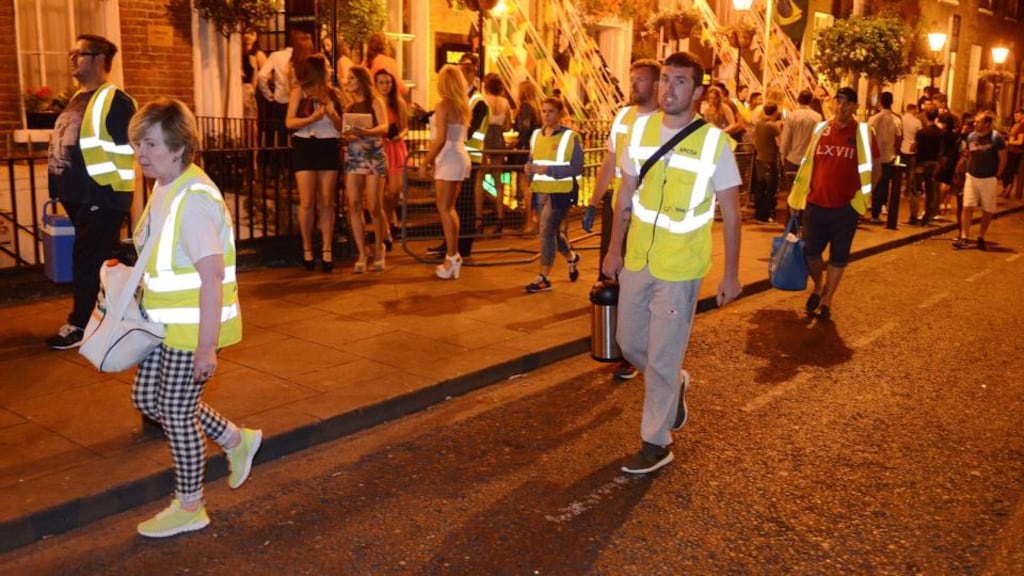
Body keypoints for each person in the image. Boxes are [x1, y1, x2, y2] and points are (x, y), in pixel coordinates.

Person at [602, 51, 743, 475]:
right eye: (666, 79)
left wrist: (732, 274)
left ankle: (656, 442)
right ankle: (675, 383)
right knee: (628, 343)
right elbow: (625, 193)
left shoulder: (714, 143)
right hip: (639, 259)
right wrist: (613, 249)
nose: (670, 88)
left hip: (682, 266)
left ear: (698, 92)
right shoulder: (640, 129)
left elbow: (732, 212)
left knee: (662, 356)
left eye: (681, 82)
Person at [128, 98, 261, 538]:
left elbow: (212, 276)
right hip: (164, 324)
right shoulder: (166, 184)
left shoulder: (195, 199)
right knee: (149, 401)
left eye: (150, 143)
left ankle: (191, 506)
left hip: (191, 329)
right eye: (138, 144)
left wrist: (207, 347)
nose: (141, 153)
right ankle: (236, 439)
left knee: (175, 412)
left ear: (179, 145)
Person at [46, 34, 138, 350]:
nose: (72, 58)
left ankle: (80, 324)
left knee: (85, 260)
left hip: (102, 196)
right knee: (94, 256)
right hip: (79, 197)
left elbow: (135, 150)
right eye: (72, 52)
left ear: (99, 59)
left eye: (79, 53)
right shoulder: (78, 97)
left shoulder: (116, 101)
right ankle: (125, 258)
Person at [582, 59, 661, 381]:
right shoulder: (623, 116)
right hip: (619, 207)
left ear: (656, 85)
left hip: (648, 212)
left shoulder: (664, 121)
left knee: (640, 280)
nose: (634, 85)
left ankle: (636, 349)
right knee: (613, 274)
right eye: (632, 79)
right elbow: (609, 160)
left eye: (641, 79)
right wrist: (593, 200)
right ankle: (623, 347)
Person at [787, 86, 880, 321]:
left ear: (856, 107)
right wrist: (797, 196)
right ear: (832, 104)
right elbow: (808, 164)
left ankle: (827, 298)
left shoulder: (864, 133)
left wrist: (862, 197)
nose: (842, 106)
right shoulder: (820, 129)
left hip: (846, 207)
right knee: (811, 253)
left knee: (839, 257)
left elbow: (876, 168)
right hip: (816, 203)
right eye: (838, 102)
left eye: (848, 103)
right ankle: (819, 286)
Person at [285, 54, 345, 272]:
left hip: (327, 145)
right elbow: (289, 122)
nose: (330, 69)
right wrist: (311, 119)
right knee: (307, 200)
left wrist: (331, 113)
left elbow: (342, 128)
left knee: (327, 200)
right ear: (317, 70)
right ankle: (307, 247)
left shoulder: (334, 94)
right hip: (305, 145)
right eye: (327, 66)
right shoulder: (298, 92)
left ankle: (327, 249)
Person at [523, 96, 583, 293]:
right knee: (553, 232)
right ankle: (571, 257)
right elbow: (533, 159)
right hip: (541, 190)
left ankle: (544, 277)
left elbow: (577, 168)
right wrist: (529, 168)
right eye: (544, 111)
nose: (546, 115)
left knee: (545, 231)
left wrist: (548, 170)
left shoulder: (571, 137)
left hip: (561, 191)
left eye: (550, 111)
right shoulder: (535, 135)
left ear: (560, 114)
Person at [418, 64, 471, 279]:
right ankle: (453, 256)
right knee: (449, 208)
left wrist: (425, 162)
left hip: (448, 157)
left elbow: (440, 139)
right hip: (458, 156)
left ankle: (451, 256)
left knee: (445, 208)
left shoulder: (444, 106)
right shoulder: (462, 105)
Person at [342, 65, 390, 272]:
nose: (348, 82)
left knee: (374, 204)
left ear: (361, 80)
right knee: (353, 203)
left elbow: (384, 127)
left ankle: (379, 248)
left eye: (351, 78)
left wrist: (365, 131)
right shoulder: (350, 107)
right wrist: (348, 135)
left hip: (372, 154)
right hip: (354, 155)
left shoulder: (375, 101)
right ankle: (362, 251)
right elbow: (345, 131)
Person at [953, 110, 1007, 251]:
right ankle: (964, 236)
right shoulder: (971, 136)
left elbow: (1003, 158)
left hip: (988, 178)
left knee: (987, 209)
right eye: (975, 121)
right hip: (972, 176)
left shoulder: (996, 138)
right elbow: (970, 154)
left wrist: (998, 175)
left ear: (987, 124)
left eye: (979, 122)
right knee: (967, 206)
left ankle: (981, 236)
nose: (975, 124)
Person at [258, 29, 315, 154]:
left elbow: (261, 75)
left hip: (281, 100)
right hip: (302, 102)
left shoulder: (276, 56)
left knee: (282, 137)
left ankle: (283, 165)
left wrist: (268, 95)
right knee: (301, 134)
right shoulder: (307, 56)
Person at [474, 73, 512, 235]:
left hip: (484, 138)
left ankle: (478, 218)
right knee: (498, 180)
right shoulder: (505, 103)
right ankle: (500, 218)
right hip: (498, 138)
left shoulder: (482, 100)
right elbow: (507, 126)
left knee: (479, 178)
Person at [376, 68, 409, 247]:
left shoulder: (399, 103)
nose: (385, 86)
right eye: (381, 82)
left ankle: (390, 215)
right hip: (380, 146)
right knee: (381, 190)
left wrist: (399, 135)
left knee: (394, 190)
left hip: (395, 147)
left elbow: (405, 127)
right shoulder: (374, 102)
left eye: (388, 82)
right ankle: (387, 223)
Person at [513, 80, 544, 233]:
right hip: (536, 148)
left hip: (526, 150)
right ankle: (536, 218)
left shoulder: (525, 107)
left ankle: (528, 221)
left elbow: (524, 129)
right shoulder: (537, 107)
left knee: (525, 186)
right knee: (534, 186)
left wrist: (516, 141)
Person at [867, 91, 902, 223]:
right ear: (892, 102)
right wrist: (895, 149)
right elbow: (899, 138)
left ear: (880, 101)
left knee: (871, 183)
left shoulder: (873, 119)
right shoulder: (896, 119)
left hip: (873, 156)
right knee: (883, 184)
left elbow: (868, 135)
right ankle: (878, 211)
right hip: (888, 156)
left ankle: (869, 209)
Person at [912, 109, 944, 226]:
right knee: (931, 190)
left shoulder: (921, 132)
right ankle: (927, 215)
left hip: (921, 163)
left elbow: (913, 147)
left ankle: (914, 214)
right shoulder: (940, 133)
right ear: (936, 117)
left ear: (926, 116)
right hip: (934, 163)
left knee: (917, 189)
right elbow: (941, 150)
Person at [780, 89, 823, 175]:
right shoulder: (818, 117)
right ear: (811, 101)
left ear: (798, 100)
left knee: (792, 187)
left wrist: (783, 154)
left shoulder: (791, 116)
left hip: (792, 158)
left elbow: (786, 138)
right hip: (809, 159)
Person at [751, 102, 782, 223]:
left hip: (759, 158)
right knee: (770, 189)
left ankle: (759, 214)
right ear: (775, 112)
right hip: (770, 159)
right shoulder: (773, 126)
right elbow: (780, 143)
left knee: (760, 187)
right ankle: (767, 214)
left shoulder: (759, 124)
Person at [364, 31, 408, 98]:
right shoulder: (387, 61)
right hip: (384, 103)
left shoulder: (365, 63)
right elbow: (401, 87)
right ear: (385, 45)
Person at [241, 29, 267, 120]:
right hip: (242, 88)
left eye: (251, 34)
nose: (248, 36)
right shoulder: (240, 53)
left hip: (255, 89)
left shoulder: (259, 54)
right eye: (245, 33)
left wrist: (254, 85)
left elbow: (266, 74)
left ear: (256, 37)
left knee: (253, 117)